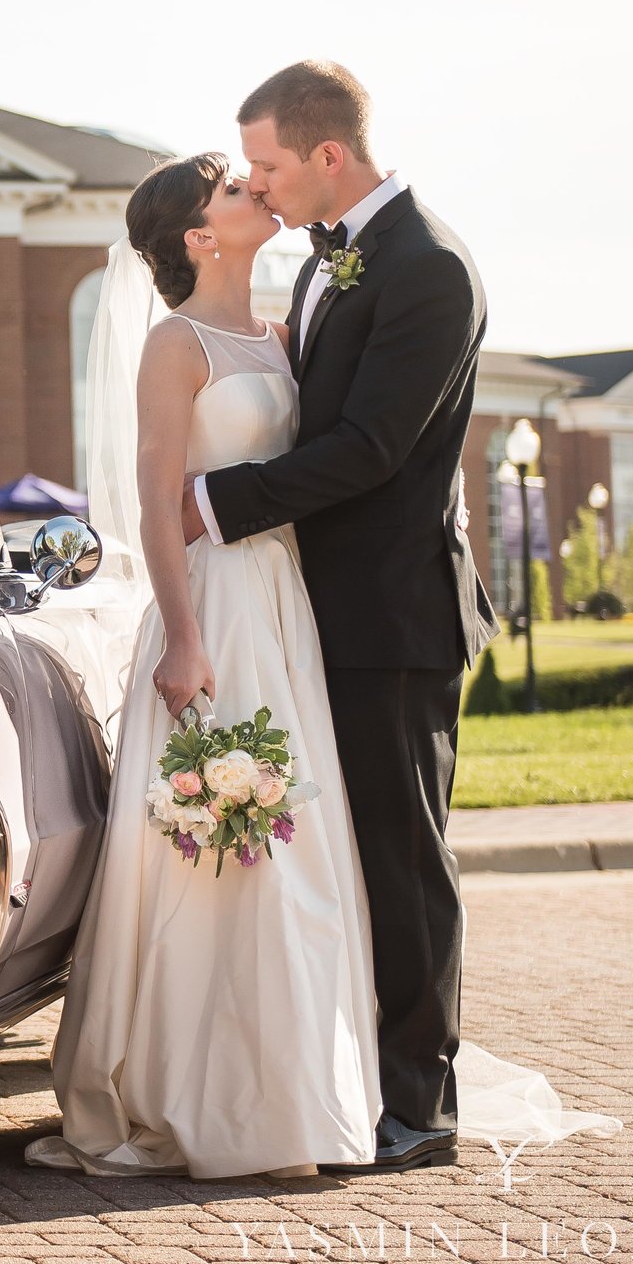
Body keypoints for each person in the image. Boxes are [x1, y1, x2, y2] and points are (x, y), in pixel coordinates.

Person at [34, 63, 620, 1181]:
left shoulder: (428, 267)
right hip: (286, 613)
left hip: (385, 613)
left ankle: (415, 1105)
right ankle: (276, 1076)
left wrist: (213, 506)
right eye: (239, 176)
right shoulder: (310, 276)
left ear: (326, 159)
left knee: (397, 862)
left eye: (263, 166)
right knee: (311, 857)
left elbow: (368, 449)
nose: (256, 183)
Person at [25, 150, 381, 1178]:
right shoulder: (172, 346)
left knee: (297, 845)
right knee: (219, 849)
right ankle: (199, 1094)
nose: (253, 193)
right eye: (231, 189)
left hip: (284, 609)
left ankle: (295, 1091)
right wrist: (181, 638)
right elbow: (152, 502)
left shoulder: (279, 336)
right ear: (197, 236)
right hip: (212, 612)